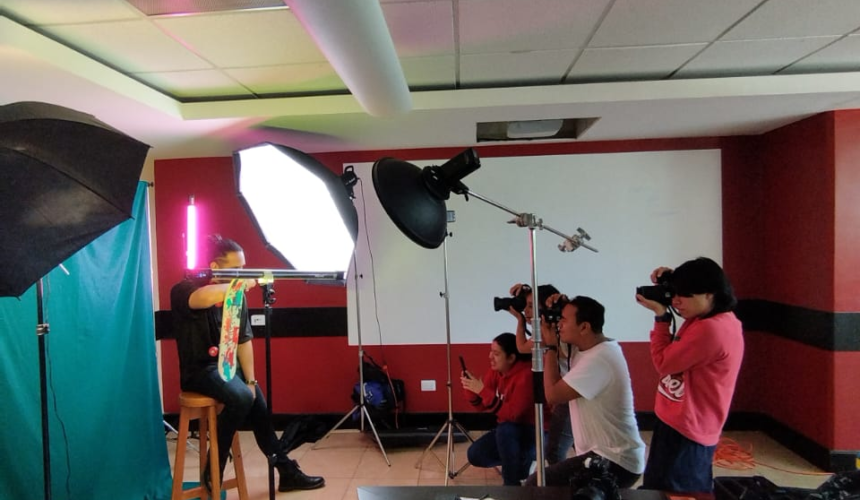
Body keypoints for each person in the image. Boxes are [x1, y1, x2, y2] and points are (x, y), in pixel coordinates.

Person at [170, 234, 325, 492]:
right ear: (215, 267)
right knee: (242, 397)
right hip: (200, 371)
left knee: (255, 401)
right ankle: (216, 464)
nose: (242, 273)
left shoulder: (236, 295)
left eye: (244, 268)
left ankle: (285, 470)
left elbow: (243, 341)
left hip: (227, 367)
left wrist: (251, 381)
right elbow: (203, 297)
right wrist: (239, 284)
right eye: (236, 269)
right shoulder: (184, 289)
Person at [635, 257, 744, 493]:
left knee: (675, 492)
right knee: (658, 488)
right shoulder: (707, 318)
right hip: (677, 421)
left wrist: (661, 318)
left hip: (687, 431)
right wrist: (671, 279)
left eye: (685, 295)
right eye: (674, 293)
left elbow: (664, 363)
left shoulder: (712, 329)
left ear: (710, 294)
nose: (676, 301)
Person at [527, 295, 645, 488]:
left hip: (615, 460)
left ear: (584, 327)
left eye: (564, 320)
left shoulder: (599, 359)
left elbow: (553, 395)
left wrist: (550, 347)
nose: (559, 325)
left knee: (538, 484)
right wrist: (556, 303)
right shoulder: (586, 348)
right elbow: (561, 347)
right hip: (604, 453)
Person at [507, 282, 574, 465]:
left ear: (546, 308)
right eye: (526, 306)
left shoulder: (552, 333)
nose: (526, 311)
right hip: (565, 393)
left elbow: (522, 347)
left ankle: (558, 482)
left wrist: (520, 320)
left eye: (531, 306)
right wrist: (521, 318)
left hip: (570, 396)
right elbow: (523, 347)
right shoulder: (551, 330)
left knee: (555, 452)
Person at [461, 332, 538, 485]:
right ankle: (519, 461)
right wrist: (471, 388)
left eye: (496, 354)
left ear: (511, 358)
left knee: (505, 429)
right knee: (475, 454)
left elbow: (514, 415)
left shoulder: (526, 375)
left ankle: (511, 484)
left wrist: (482, 390)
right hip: (509, 430)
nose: (490, 357)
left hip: (533, 430)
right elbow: (482, 406)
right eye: (491, 351)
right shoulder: (496, 371)